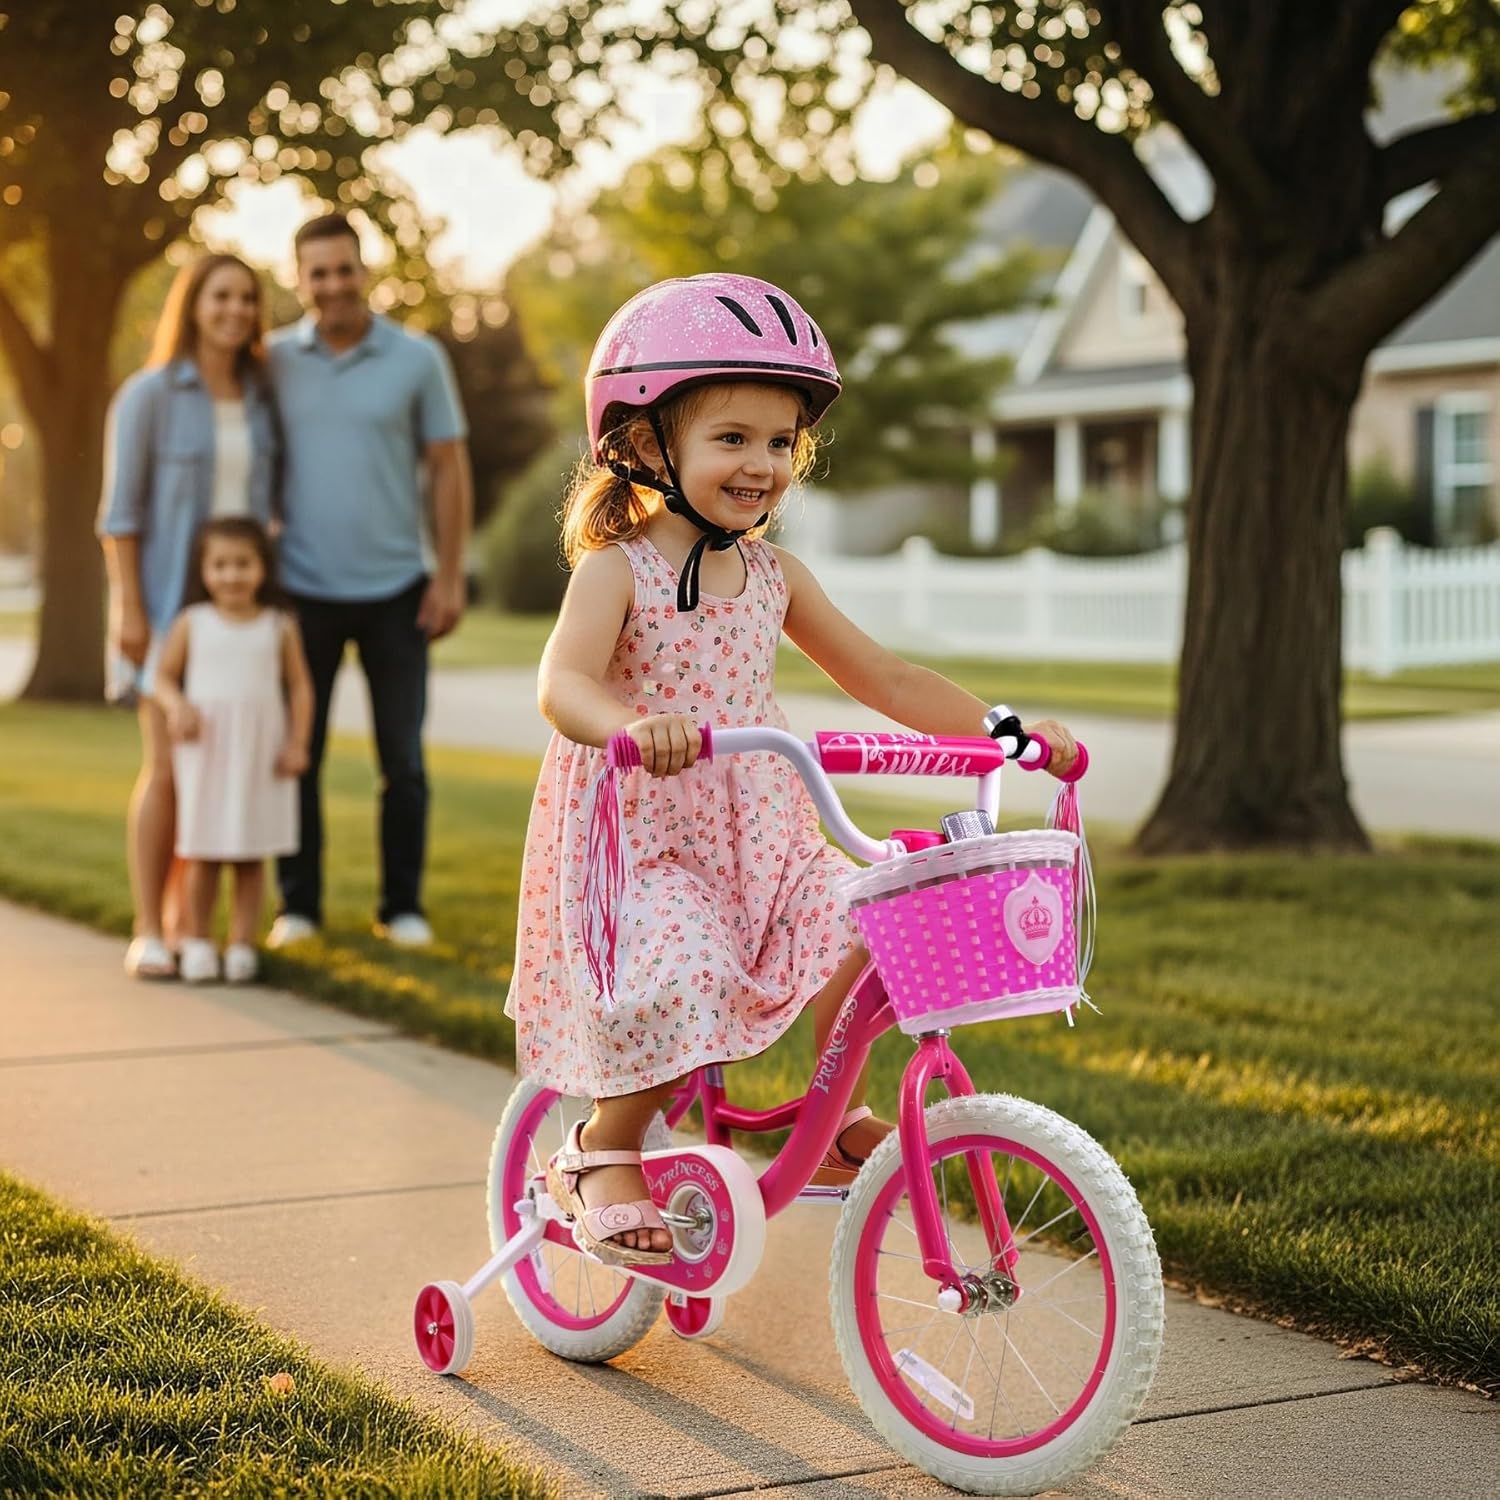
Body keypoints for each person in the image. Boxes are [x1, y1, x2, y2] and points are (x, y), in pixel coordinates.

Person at [505, 274, 1079, 1265]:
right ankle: (602, 1149)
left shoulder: (774, 574)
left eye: (780, 443)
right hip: (643, 838)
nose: (762, 464)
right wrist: (632, 724)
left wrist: (1007, 732)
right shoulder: (617, 569)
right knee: (680, 967)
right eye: (732, 438)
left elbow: (885, 675)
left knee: (867, 914)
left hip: (762, 830)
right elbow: (561, 684)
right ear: (648, 445)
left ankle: (826, 1119)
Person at [264, 213, 473, 952]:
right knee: (298, 752)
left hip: (396, 591)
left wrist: (449, 577)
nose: (332, 285)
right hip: (300, 593)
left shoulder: (417, 359)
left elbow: (449, 469)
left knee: (403, 761)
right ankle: (298, 907)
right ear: (300, 280)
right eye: (317, 273)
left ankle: (402, 906)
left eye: (343, 269)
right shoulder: (273, 360)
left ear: (365, 270)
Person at [97, 254, 280, 979]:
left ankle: (198, 927)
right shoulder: (148, 396)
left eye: (246, 298)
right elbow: (119, 517)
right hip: (170, 611)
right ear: (194, 304)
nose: (234, 309)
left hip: (239, 621)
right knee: (167, 772)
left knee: (223, 776)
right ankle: (150, 929)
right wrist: (130, 609)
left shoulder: (260, 400)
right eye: (220, 296)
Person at [153, 518, 314, 984]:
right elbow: (162, 677)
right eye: (219, 565)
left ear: (263, 567)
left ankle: (242, 944)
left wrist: (298, 743)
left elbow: (300, 688)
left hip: (260, 755)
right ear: (203, 570)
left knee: (250, 854)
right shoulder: (192, 623)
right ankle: (198, 940)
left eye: (242, 564)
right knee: (203, 850)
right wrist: (176, 703)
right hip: (207, 750)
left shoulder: (279, 626)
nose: (231, 575)